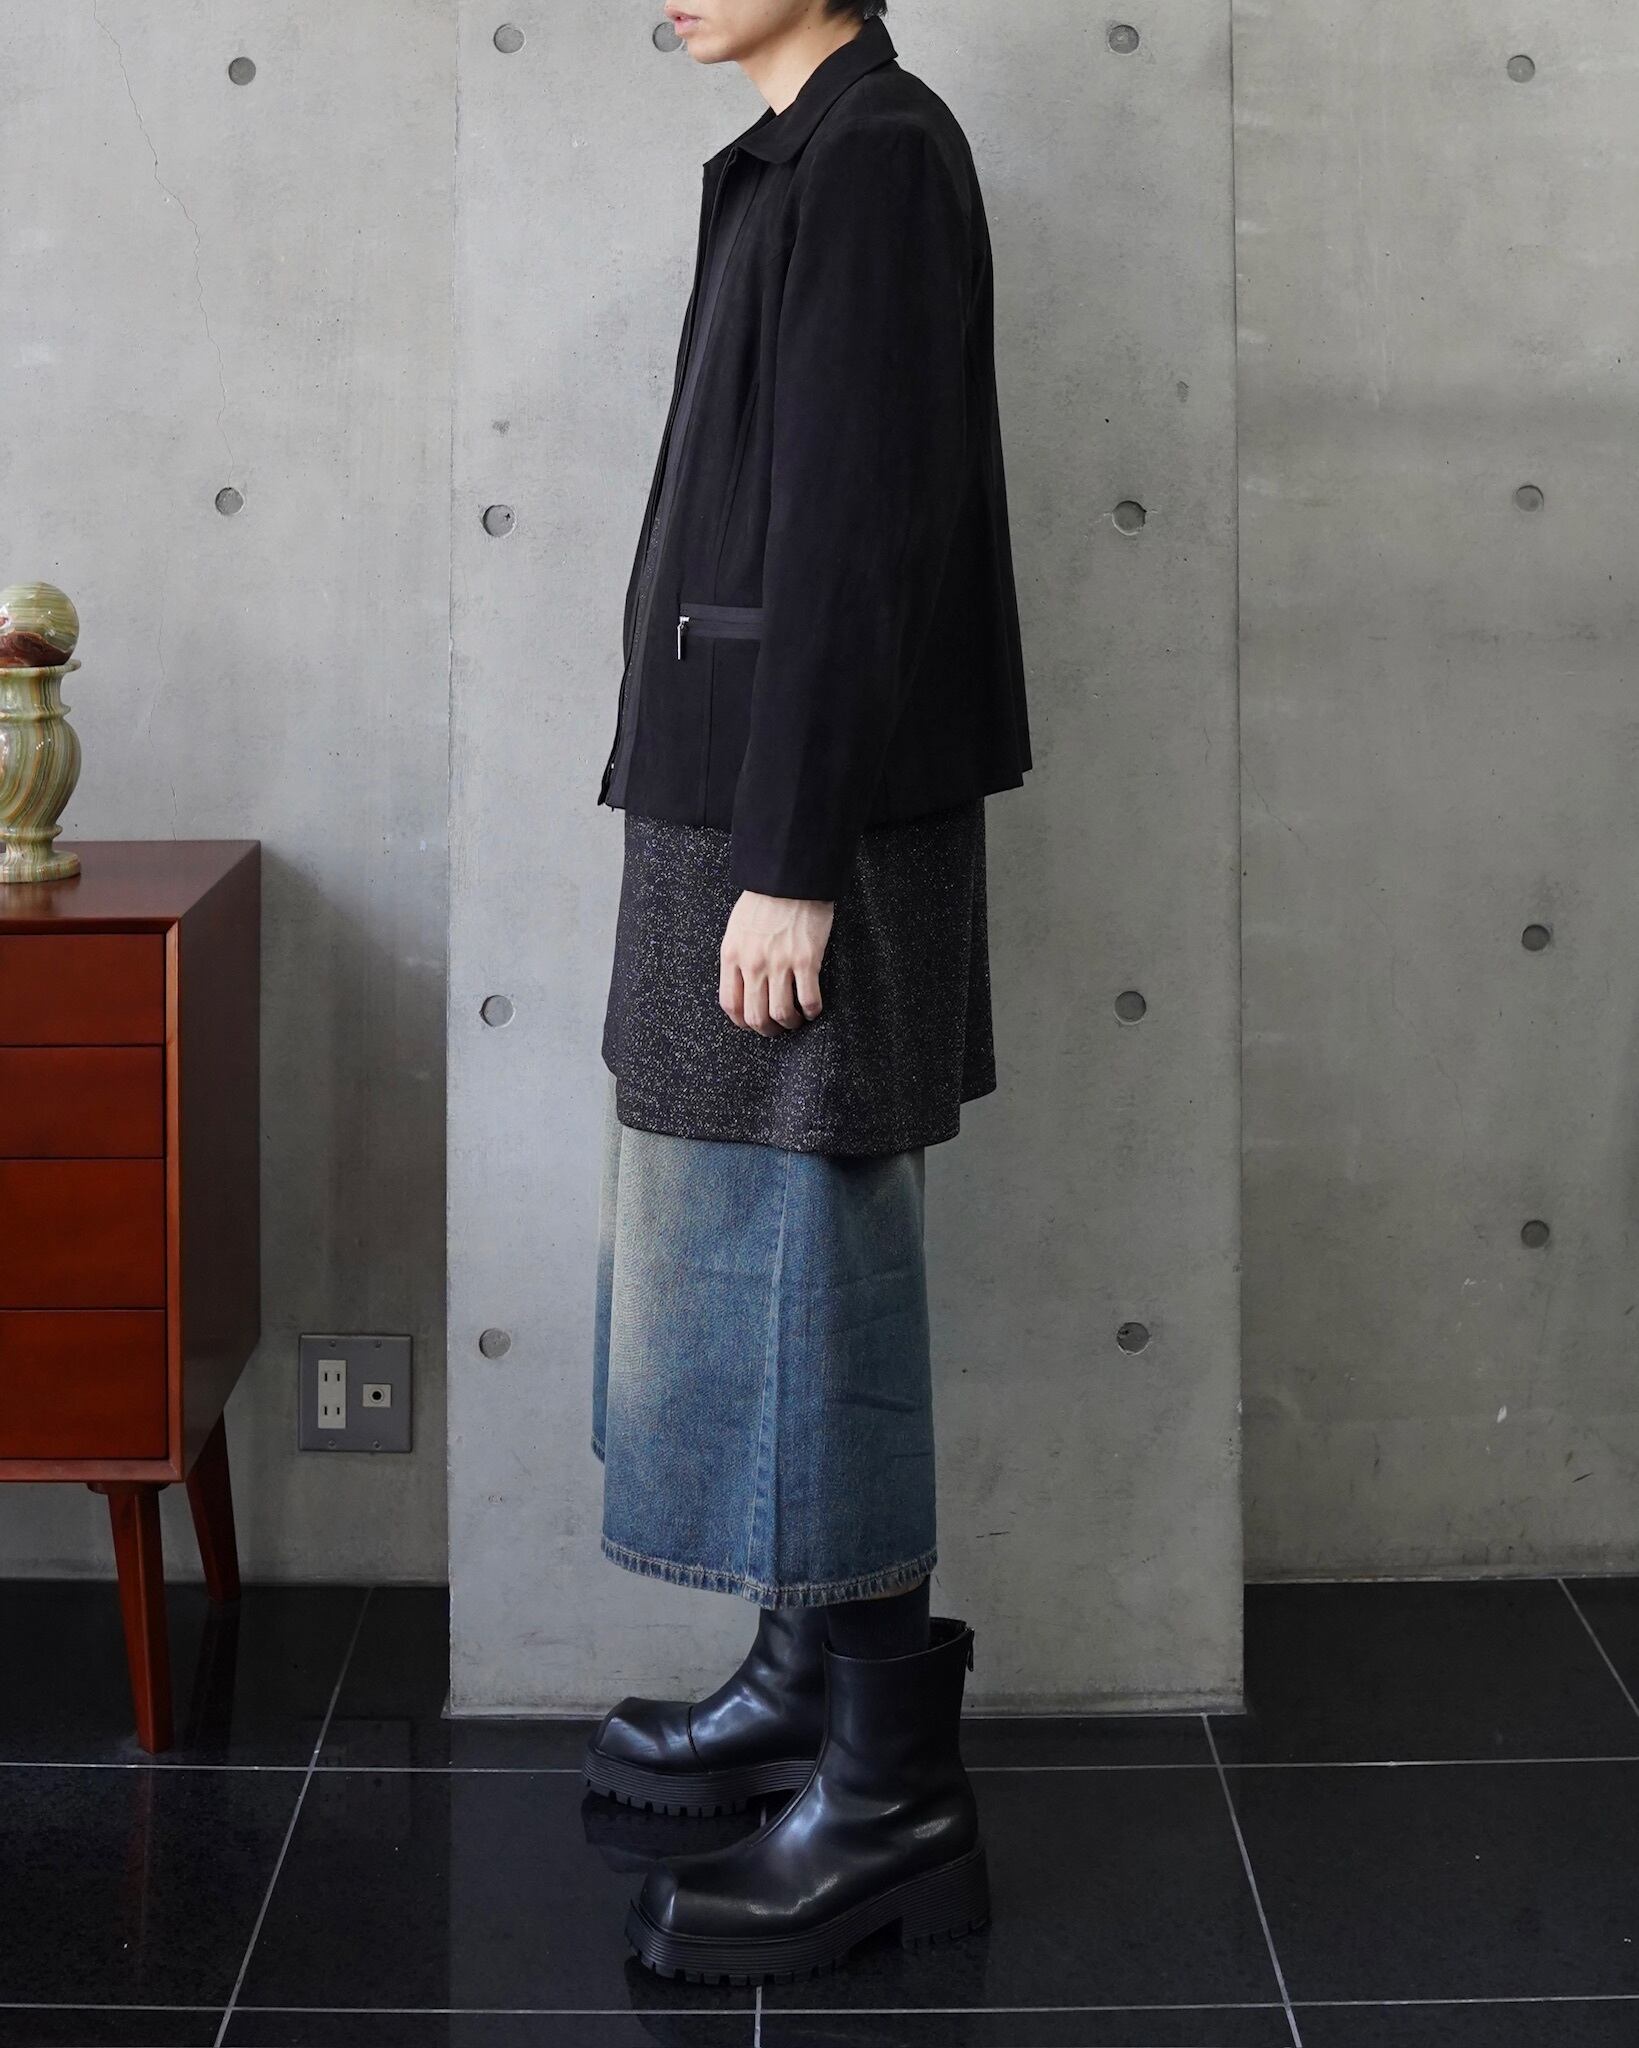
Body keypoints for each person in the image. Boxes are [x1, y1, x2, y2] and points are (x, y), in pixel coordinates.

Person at [585, 0, 1032, 1983]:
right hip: (743, 801)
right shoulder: (799, 157)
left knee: (813, 1264)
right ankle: (795, 1681)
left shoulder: (880, 157)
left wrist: (791, 860)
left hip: (801, 820)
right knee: (738, 1244)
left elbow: (861, 535)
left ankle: (891, 1798)